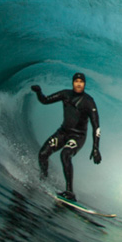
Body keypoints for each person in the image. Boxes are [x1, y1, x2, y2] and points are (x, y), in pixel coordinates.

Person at [31, 72, 101, 201]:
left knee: (65, 154)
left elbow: (96, 125)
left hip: (78, 136)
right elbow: (45, 100)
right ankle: (43, 179)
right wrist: (38, 92)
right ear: (73, 83)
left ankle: (70, 192)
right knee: (42, 154)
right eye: (76, 82)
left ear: (84, 84)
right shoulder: (65, 94)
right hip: (63, 133)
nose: (79, 84)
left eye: (81, 82)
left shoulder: (88, 101)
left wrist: (96, 148)